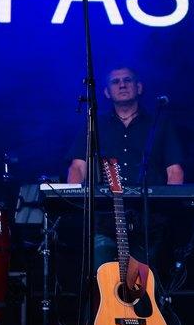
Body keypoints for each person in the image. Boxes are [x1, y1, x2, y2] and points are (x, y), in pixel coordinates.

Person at [65, 65, 186, 267]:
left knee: (145, 280)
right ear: (106, 92)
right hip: (105, 218)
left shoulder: (159, 123)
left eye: (128, 80)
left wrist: (168, 208)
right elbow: (78, 167)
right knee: (103, 273)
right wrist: (75, 200)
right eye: (115, 82)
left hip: (150, 220)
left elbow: (175, 170)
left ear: (139, 87)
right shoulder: (94, 124)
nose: (122, 85)